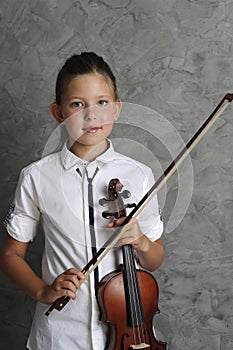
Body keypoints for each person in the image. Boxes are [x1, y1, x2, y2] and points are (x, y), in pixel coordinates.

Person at [0, 52, 164, 349]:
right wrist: (42, 291)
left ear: (116, 109)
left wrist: (140, 241)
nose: (91, 115)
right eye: (78, 104)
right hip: (59, 336)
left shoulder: (139, 174)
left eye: (102, 103)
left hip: (129, 332)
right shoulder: (36, 176)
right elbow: (11, 255)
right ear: (58, 113)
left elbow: (154, 260)